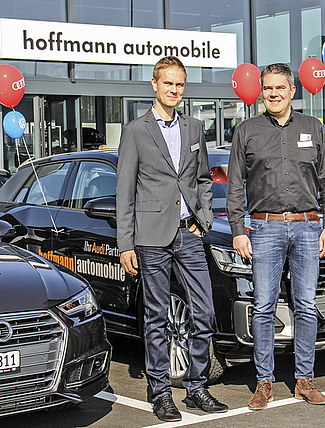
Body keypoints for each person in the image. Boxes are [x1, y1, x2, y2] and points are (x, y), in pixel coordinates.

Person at [116, 56, 227, 422]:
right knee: (155, 316)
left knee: (205, 311)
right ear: (154, 84)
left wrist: (205, 219)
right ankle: (161, 392)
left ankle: (196, 387)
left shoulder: (195, 128)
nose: (174, 90)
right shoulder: (135, 131)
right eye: (168, 84)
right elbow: (125, 191)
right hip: (150, 237)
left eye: (180, 84)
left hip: (189, 233)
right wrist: (126, 243)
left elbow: (204, 180)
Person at [226, 63, 325, 410]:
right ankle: (264, 382)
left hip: (307, 227)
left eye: (280, 87)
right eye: (268, 88)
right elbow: (234, 187)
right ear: (261, 92)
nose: (273, 93)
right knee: (263, 308)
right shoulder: (246, 131)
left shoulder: (313, 127)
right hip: (263, 228)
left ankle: (305, 380)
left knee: (306, 306)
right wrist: (237, 231)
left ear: (293, 91)